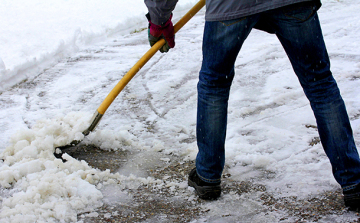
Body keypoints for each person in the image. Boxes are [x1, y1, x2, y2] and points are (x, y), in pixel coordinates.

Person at [144, 0, 360, 210]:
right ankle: (353, 181)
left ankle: (208, 175)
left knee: (214, 84)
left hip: (231, 6)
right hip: (293, 3)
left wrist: (159, 20)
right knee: (320, 84)